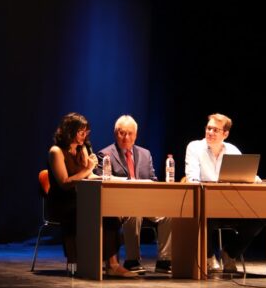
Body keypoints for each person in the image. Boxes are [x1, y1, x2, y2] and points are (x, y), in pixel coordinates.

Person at [47, 112, 136, 278]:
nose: (85, 135)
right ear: (69, 131)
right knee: (92, 213)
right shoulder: (56, 151)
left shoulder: (83, 148)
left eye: (86, 132)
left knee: (109, 213)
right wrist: (88, 169)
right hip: (63, 202)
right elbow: (65, 182)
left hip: (82, 199)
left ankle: (112, 265)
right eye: (81, 132)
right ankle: (86, 262)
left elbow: (90, 176)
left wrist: (109, 178)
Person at [184, 113, 265, 274]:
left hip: (231, 205)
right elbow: (192, 177)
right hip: (206, 204)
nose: (210, 132)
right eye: (209, 128)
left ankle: (230, 253)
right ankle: (208, 257)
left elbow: (244, 175)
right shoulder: (194, 147)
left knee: (260, 219)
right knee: (206, 216)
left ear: (225, 134)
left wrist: (254, 178)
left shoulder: (233, 150)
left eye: (215, 130)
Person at [97, 115, 173, 274]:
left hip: (146, 202)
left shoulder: (145, 154)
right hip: (120, 205)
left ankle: (164, 261)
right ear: (115, 133)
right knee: (133, 211)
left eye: (130, 133)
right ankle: (132, 260)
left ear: (136, 135)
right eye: (122, 133)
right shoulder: (105, 155)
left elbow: (153, 179)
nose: (126, 137)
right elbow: (102, 182)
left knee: (168, 214)